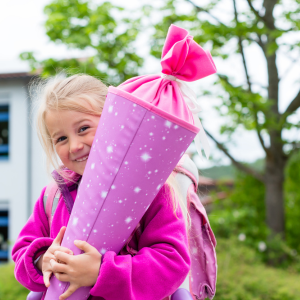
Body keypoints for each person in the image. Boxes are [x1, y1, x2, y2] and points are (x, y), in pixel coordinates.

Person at [12, 74, 191, 300]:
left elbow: (171, 263)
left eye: (83, 128)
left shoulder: (152, 190)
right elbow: (21, 251)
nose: (75, 146)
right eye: (61, 139)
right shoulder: (53, 196)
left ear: (113, 122)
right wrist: (41, 259)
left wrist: (102, 273)